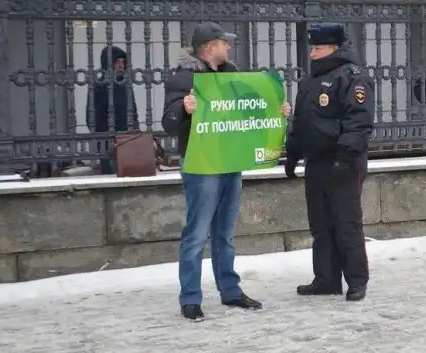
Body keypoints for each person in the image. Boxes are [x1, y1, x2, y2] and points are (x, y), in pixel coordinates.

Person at [161, 22, 291, 321]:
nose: (228, 47)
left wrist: (277, 110)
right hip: (202, 164)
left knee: (225, 232)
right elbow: (169, 123)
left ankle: (230, 291)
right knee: (196, 233)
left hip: (230, 160)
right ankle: (190, 298)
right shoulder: (183, 79)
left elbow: (249, 111)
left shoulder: (231, 75)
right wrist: (183, 109)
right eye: (224, 43)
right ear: (210, 47)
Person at [284, 23, 374, 302]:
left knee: (346, 223)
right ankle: (326, 279)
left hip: (343, 162)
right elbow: (301, 121)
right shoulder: (311, 80)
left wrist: (345, 158)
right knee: (320, 225)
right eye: (312, 47)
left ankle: (356, 280)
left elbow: (358, 121)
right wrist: (293, 153)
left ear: (334, 48)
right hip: (316, 161)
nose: (312, 53)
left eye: (318, 48)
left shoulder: (352, 77)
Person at [86, 45, 139, 174]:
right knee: (110, 174)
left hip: (127, 138)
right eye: (117, 62)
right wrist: (104, 134)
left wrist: (135, 130)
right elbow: (92, 116)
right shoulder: (98, 86)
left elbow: (133, 111)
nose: (121, 66)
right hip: (106, 141)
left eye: (123, 62)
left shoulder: (125, 85)